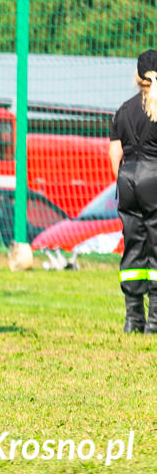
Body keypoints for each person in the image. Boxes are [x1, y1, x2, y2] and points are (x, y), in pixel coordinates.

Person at [109, 49, 157, 333]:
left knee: (133, 246)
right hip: (154, 177)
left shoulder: (124, 109)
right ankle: (155, 322)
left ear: (138, 76)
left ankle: (133, 319)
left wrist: (122, 181)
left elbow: (115, 153)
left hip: (126, 179)